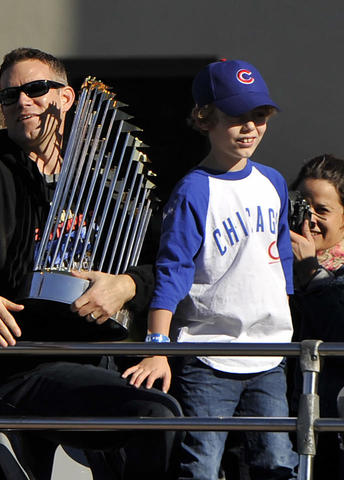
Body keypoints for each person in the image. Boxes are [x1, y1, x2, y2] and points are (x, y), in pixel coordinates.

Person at [0, 47, 181, 479]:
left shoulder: (101, 185)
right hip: (18, 368)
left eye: (37, 89)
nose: (23, 101)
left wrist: (128, 284)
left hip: (98, 361)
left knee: (174, 414)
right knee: (155, 414)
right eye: (9, 96)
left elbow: (169, 262)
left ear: (67, 98)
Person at [123, 59, 298, 479]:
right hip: (207, 353)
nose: (250, 128)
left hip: (269, 353)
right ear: (205, 118)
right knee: (199, 464)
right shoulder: (193, 189)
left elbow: (282, 260)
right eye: (236, 117)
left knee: (277, 461)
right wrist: (157, 346)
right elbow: (173, 270)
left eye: (259, 116)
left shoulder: (273, 182)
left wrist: (288, 320)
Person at [289, 154, 344, 479]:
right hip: (277, 419)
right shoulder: (272, 257)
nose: (309, 220)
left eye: (322, 210)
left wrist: (310, 273)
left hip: (330, 428)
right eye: (302, 206)